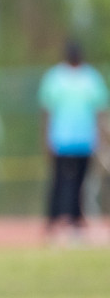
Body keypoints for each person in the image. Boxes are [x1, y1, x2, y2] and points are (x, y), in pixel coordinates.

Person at [39, 40, 109, 241]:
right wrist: (46, 138)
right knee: (63, 182)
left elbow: (100, 112)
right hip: (62, 140)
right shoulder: (56, 77)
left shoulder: (90, 77)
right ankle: (58, 220)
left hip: (85, 141)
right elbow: (47, 111)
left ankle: (76, 220)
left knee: (80, 183)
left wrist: (102, 137)